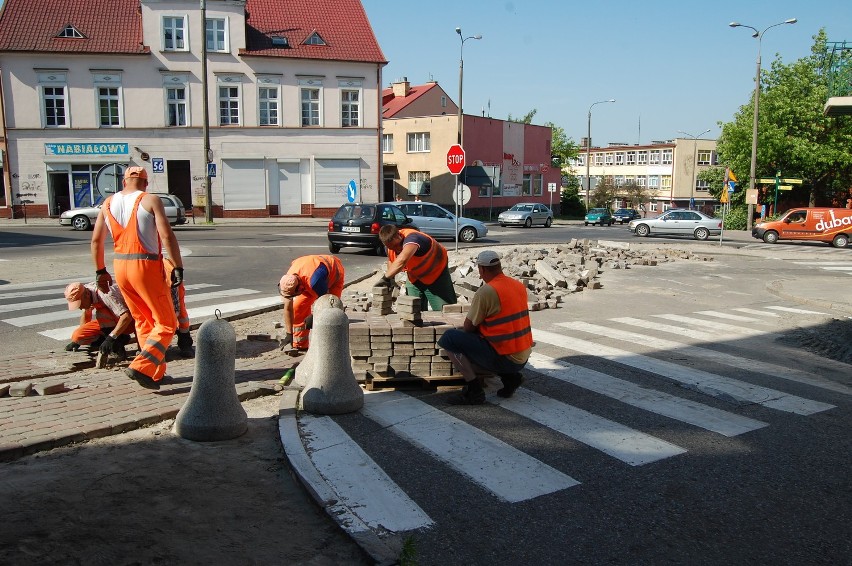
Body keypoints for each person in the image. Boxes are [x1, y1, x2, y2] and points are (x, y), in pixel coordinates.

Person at [91, 166, 183, 390]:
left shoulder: (108, 203)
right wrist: (178, 265)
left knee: (143, 320)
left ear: (123, 182)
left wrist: (100, 271)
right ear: (145, 182)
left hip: (120, 266)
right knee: (167, 322)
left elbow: (96, 241)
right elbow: (166, 234)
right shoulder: (150, 200)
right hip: (145, 265)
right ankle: (141, 366)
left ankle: (154, 373)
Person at [437, 250, 533, 405]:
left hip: (506, 359)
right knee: (488, 339)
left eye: (479, 271)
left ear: (482, 269)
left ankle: (474, 391)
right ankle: (511, 378)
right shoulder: (517, 285)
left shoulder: (487, 291)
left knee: (449, 338)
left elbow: (468, 327)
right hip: (522, 357)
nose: (480, 275)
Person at [378, 224, 457, 312]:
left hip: (436, 274)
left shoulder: (414, 238)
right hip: (415, 277)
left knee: (445, 311)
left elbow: (402, 260)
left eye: (398, 245)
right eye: (392, 247)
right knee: (412, 310)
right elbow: (391, 260)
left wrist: (385, 278)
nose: (397, 249)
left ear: (399, 234)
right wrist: (391, 279)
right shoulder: (390, 246)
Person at [278, 255, 344, 351]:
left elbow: (326, 302)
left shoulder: (316, 282)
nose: (291, 297)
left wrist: (314, 316)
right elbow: (288, 308)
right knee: (297, 307)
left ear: (299, 288)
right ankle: (300, 344)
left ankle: (329, 348)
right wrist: (289, 334)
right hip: (308, 276)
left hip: (334, 272)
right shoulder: (288, 279)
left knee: (332, 311)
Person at [64, 281, 134, 359]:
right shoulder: (87, 291)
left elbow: (126, 317)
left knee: (102, 312)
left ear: (86, 295)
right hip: (112, 319)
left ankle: (119, 341)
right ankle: (114, 340)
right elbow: (85, 322)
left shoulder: (105, 294)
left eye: (80, 304)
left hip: (130, 320)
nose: (80, 307)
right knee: (78, 336)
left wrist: (110, 338)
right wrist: (78, 342)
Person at [164, 257, 193, 357]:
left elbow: (176, 309)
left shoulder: (167, 272)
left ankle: (185, 344)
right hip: (162, 287)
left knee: (181, 316)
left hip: (172, 286)